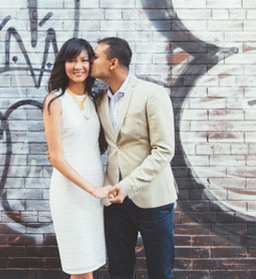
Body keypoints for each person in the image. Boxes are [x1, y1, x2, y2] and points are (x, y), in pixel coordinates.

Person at [91, 37, 178, 279]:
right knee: (118, 269)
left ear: (113, 63)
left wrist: (127, 186)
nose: (90, 61)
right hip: (115, 202)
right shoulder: (99, 101)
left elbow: (163, 150)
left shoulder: (152, 94)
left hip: (152, 199)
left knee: (160, 271)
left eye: (96, 56)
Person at [43, 37, 112, 278]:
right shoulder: (55, 101)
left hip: (94, 193)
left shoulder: (96, 100)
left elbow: (97, 146)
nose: (78, 66)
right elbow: (56, 157)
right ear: (63, 64)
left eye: (84, 60)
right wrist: (93, 189)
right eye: (72, 60)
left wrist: (99, 188)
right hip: (71, 193)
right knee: (80, 264)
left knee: (88, 264)